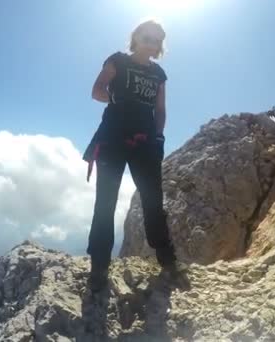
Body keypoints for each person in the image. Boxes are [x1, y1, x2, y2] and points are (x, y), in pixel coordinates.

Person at [83, 19, 176, 291]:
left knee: (153, 200)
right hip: (113, 136)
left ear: (160, 45)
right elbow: (97, 91)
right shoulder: (118, 60)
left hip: (146, 141)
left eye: (157, 39)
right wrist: (115, 99)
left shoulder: (159, 74)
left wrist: (158, 137)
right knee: (106, 200)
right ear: (135, 37)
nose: (151, 42)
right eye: (147, 36)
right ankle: (99, 265)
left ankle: (167, 260)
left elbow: (160, 109)